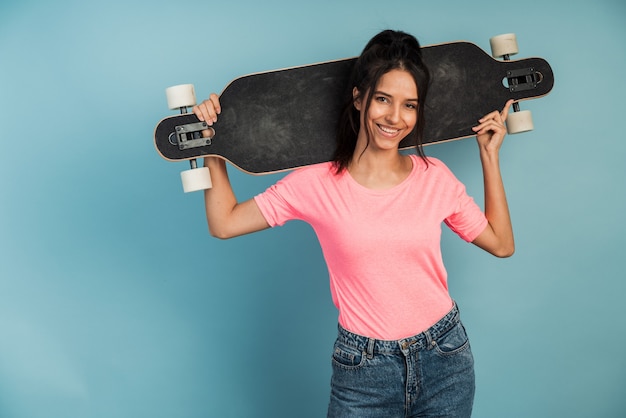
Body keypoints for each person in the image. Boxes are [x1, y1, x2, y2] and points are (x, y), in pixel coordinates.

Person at [193, 29, 514, 417]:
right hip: (364, 370)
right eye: (383, 99)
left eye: (409, 105)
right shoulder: (315, 183)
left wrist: (489, 158)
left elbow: (500, 242)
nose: (395, 117)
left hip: (445, 356)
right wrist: (213, 148)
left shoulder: (435, 177)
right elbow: (225, 222)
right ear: (359, 98)